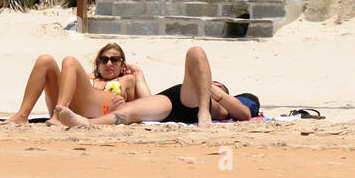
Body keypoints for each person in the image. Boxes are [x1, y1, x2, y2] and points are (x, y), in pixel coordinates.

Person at [55, 46, 258, 127]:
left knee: (197, 54)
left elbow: (244, 114)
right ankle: (88, 124)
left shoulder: (230, 98)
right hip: (177, 96)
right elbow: (145, 99)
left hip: (203, 104)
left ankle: (203, 112)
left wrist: (214, 90)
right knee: (129, 112)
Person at [4, 43, 151, 125]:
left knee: (70, 61)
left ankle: (58, 115)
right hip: (69, 106)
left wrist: (139, 75)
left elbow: (148, 105)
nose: (109, 63)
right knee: (45, 60)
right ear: (98, 63)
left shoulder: (127, 80)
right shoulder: (87, 78)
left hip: (97, 114)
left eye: (115, 60)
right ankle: (22, 115)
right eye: (104, 59)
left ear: (122, 64)